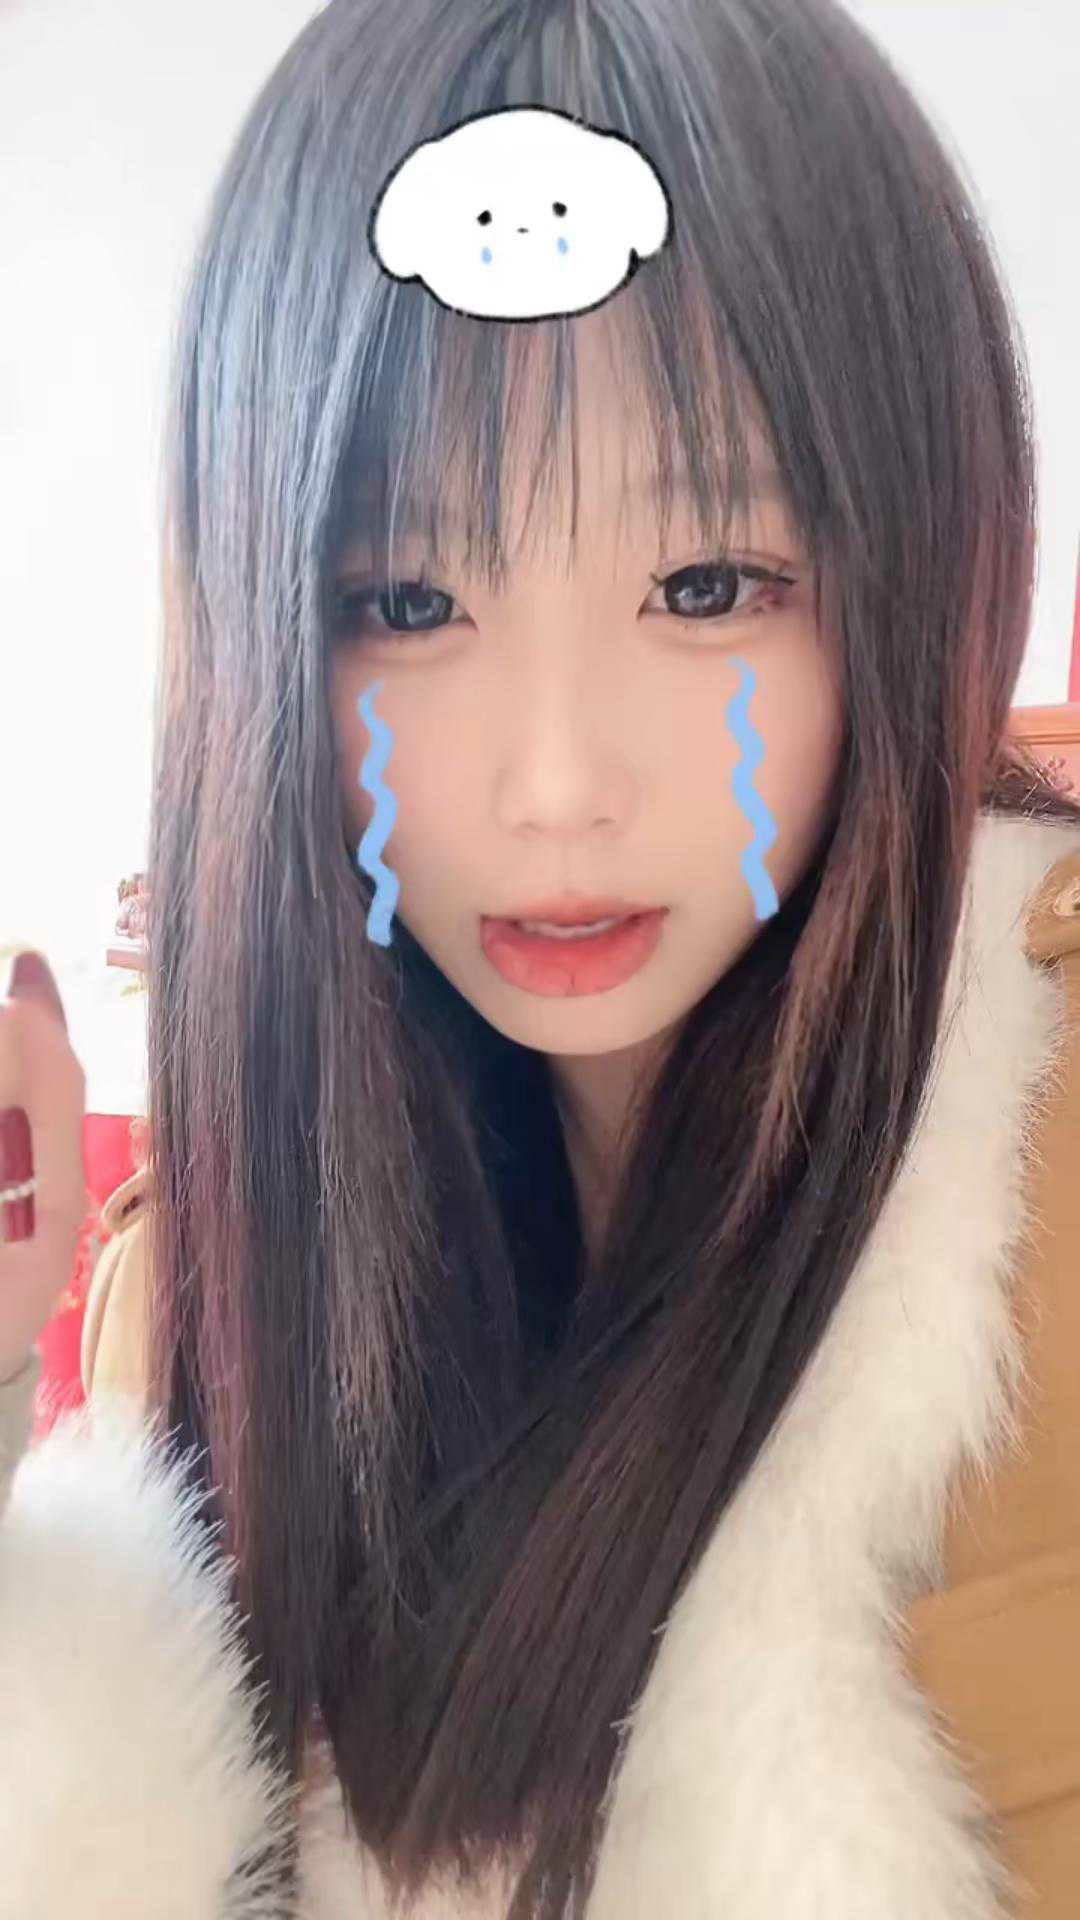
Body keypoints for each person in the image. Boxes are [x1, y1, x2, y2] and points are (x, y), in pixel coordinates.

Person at [3, 1, 1080, 1915]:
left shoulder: (1041, 1201)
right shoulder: (196, 1306)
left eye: (707, 584)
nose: (559, 785)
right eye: (410, 600)